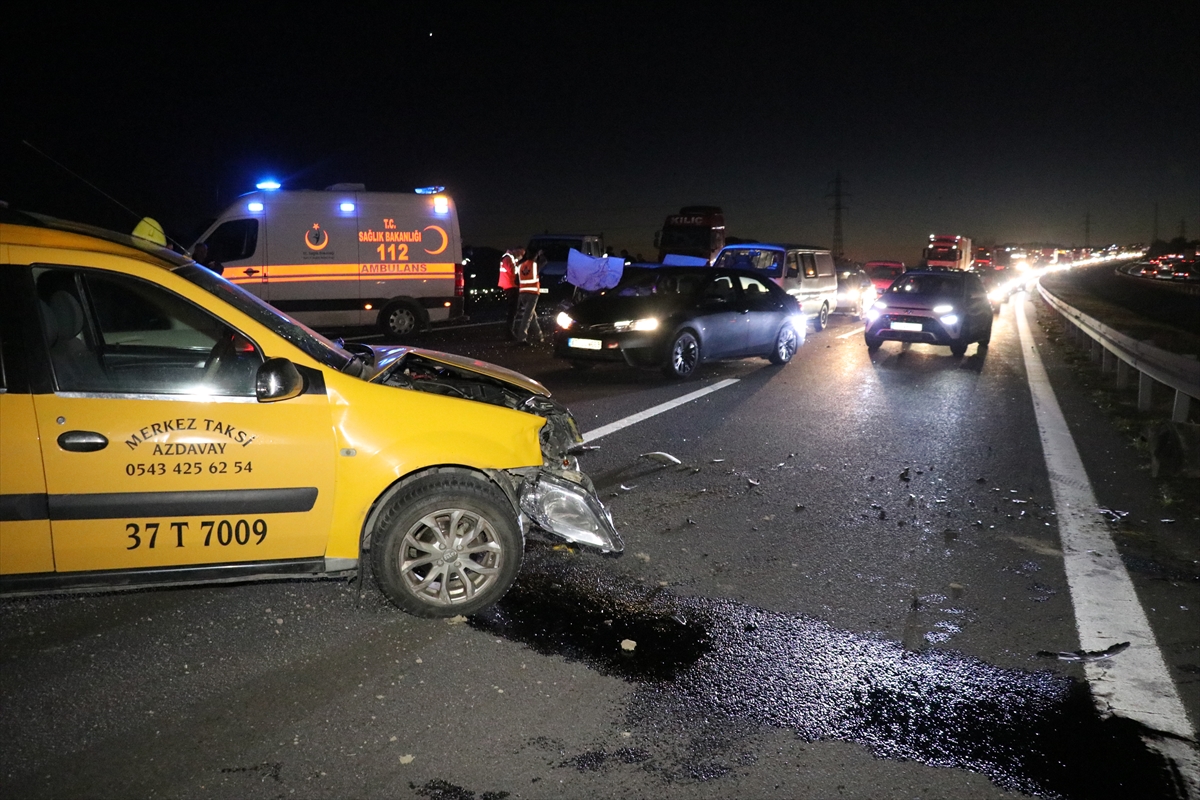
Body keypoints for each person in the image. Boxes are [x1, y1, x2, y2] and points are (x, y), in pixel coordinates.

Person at [512, 249, 543, 345]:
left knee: (531, 316)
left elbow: (516, 280)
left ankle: (540, 335)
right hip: (532, 293)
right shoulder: (534, 265)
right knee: (527, 317)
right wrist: (540, 254)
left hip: (522, 293)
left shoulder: (521, 265)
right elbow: (545, 261)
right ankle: (522, 338)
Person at [498, 247, 522, 338]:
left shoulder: (506, 257)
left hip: (509, 285)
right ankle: (509, 332)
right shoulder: (508, 258)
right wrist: (518, 265)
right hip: (511, 286)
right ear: (515, 251)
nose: (521, 255)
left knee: (512, 310)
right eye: (520, 253)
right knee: (512, 310)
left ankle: (510, 331)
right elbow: (513, 271)